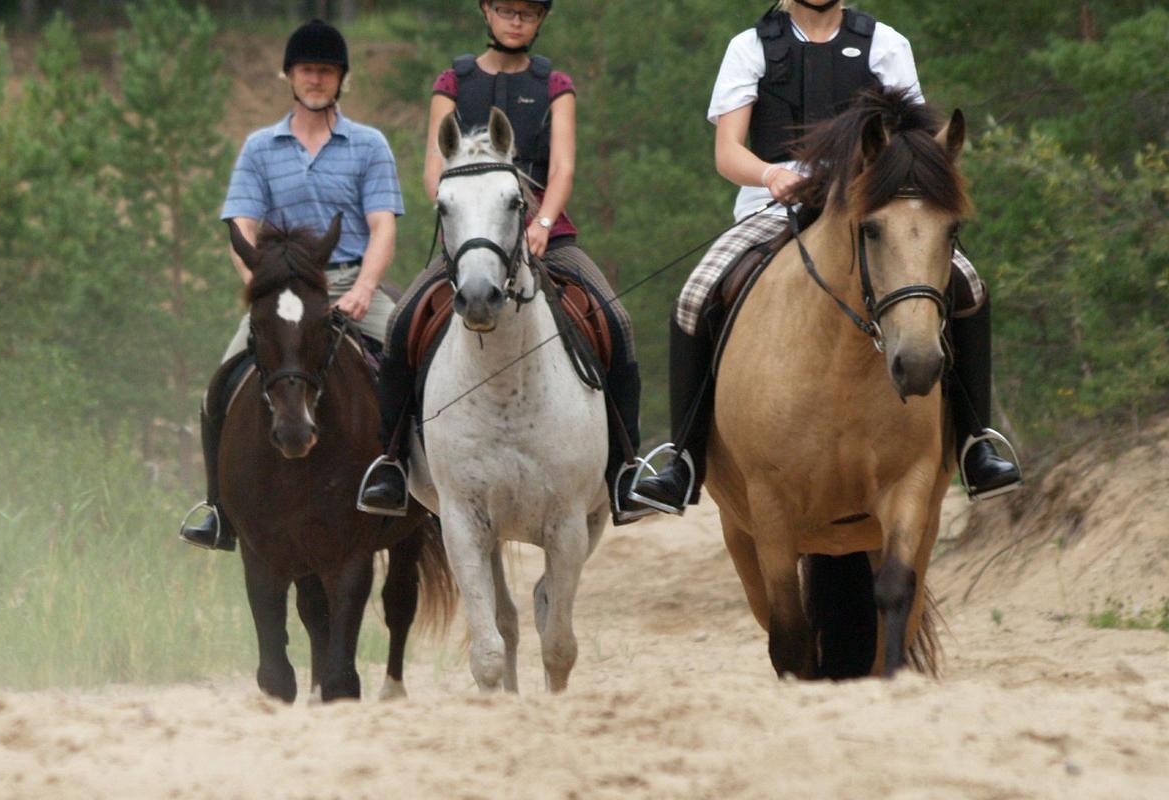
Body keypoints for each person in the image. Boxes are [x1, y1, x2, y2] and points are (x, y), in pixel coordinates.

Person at [630, 0, 1023, 514]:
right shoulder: (750, 48)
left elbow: (914, 145)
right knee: (693, 296)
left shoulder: (886, 43)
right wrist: (772, 175)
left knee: (968, 283)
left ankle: (976, 442)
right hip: (775, 203)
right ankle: (682, 458)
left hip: (870, 203)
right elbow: (728, 152)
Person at [360, 0, 654, 526]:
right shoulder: (453, 82)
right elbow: (435, 166)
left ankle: (626, 469)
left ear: (540, 20)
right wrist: (463, 227)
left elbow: (562, 165)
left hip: (546, 236)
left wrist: (541, 224)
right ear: (486, 12)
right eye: (506, 9)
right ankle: (392, 462)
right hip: (474, 242)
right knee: (402, 321)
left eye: (528, 12)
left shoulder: (555, 84)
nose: (516, 20)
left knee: (616, 320)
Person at [177, 19, 405, 551]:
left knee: (413, 361)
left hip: (348, 279)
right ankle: (218, 509)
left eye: (327, 71)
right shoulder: (259, 148)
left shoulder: (369, 145)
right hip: (281, 290)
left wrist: (366, 289)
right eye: (308, 70)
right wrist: (263, 287)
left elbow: (383, 226)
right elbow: (241, 228)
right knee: (220, 385)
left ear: (341, 78)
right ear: (289, 75)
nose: (317, 79)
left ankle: (413, 481)